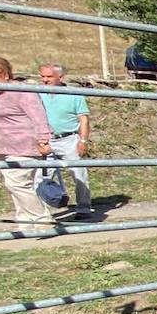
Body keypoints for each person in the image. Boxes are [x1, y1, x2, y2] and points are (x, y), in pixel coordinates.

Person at [0, 56, 54, 230]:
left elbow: (38, 116)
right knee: (16, 185)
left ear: (5, 73)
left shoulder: (21, 90)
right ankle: (25, 221)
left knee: (16, 183)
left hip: (23, 146)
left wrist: (43, 139)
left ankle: (42, 219)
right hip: (2, 148)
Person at [37, 63, 94, 219]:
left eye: (49, 76)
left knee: (79, 174)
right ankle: (42, 212)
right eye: (42, 76)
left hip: (68, 139)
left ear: (60, 77)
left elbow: (83, 119)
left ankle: (83, 208)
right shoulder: (37, 94)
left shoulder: (74, 94)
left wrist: (83, 141)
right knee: (41, 177)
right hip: (46, 140)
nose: (45, 80)